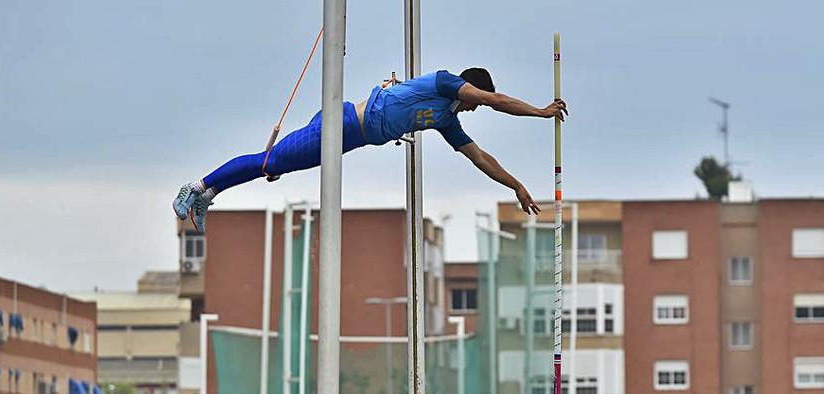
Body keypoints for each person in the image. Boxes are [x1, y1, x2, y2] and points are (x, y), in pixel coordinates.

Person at [173, 67, 568, 232]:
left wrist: (515, 185)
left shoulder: (446, 119)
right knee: (271, 162)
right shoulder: (448, 83)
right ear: (470, 88)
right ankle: (198, 184)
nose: (473, 107)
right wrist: (540, 112)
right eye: (474, 101)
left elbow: (479, 157)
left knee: (275, 168)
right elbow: (495, 100)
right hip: (345, 121)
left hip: (351, 138)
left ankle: (209, 194)